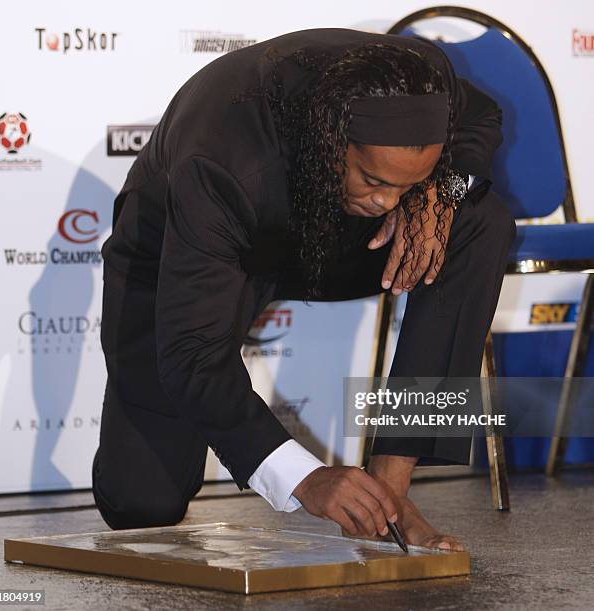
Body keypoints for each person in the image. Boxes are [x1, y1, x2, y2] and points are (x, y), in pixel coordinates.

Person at [92, 27, 516, 551]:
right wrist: (305, 477)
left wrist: (438, 196)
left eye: (404, 185)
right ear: (330, 140)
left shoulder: (427, 81)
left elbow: (481, 116)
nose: (389, 203)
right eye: (377, 181)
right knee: (142, 504)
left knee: (481, 223)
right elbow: (191, 355)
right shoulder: (222, 157)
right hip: (185, 247)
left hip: (329, 235)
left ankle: (390, 491)